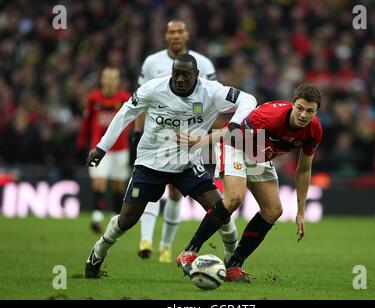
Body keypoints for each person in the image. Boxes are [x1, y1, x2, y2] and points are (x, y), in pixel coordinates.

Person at [84, 53, 257, 279]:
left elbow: (249, 100)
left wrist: (234, 124)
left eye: (186, 74)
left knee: (221, 212)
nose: (180, 79)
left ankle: (233, 263)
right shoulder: (153, 89)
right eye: (176, 74)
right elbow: (125, 114)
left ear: (196, 74)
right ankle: (96, 255)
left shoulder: (211, 91)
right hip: (150, 162)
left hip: (186, 163)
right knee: (127, 219)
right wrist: (101, 148)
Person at [176, 84, 323, 283]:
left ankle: (234, 265)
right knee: (235, 198)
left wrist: (300, 212)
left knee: (273, 211)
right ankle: (189, 252)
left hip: (260, 155)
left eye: (310, 111)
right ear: (292, 104)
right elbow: (231, 131)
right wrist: (201, 142)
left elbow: (304, 170)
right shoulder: (268, 117)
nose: (303, 115)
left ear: (316, 112)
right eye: (300, 108)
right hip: (236, 144)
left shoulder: (314, 131)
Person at [132, 19, 223, 263]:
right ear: (165, 36)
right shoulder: (152, 62)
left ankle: (165, 246)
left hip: (189, 140)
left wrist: (205, 139)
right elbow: (141, 102)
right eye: (171, 31)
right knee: (151, 188)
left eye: (180, 31)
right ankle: (146, 239)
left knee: (174, 193)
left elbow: (212, 103)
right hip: (158, 137)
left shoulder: (203, 63)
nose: (175, 35)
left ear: (187, 34)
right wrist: (136, 132)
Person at [77, 67, 131, 233]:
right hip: (98, 147)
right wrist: (81, 142)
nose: (109, 81)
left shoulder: (125, 98)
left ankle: (115, 219)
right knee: (99, 181)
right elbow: (87, 122)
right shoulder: (93, 98)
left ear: (118, 81)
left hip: (121, 148)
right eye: (107, 77)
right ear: (102, 80)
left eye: (113, 78)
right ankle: (97, 217)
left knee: (117, 185)